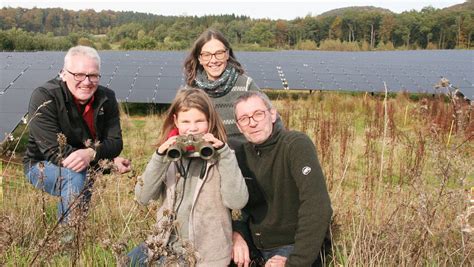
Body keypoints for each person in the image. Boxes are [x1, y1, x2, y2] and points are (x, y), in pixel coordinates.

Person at [129, 88, 249, 266]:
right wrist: (160, 157)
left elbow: (237, 202)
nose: (192, 129)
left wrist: (224, 155)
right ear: (176, 121)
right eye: (186, 121)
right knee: (127, 260)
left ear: (210, 121)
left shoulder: (222, 155)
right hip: (165, 246)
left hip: (205, 255)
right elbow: (142, 197)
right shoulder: (169, 154)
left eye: (199, 121)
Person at [24, 45, 131, 222]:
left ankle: (77, 234)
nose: (87, 81)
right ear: (63, 74)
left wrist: (91, 154)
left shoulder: (106, 97)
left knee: (81, 175)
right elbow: (53, 151)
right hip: (40, 164)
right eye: (79, 75)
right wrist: (106, 163)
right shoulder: (45, 96)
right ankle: (68, 240)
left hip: (83, 163)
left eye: (93, 75)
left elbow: (116, 143)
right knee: (77, 176)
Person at [231, 91, 332, 267]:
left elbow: (317, 206)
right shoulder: (240, 155)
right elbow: (223, 207)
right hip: (256, 245)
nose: (252, 123)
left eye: (258, 114)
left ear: (272, 115)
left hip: (293, 245)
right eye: (245, 118)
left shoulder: (295, 145)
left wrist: (295, 262)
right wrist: (236, 233)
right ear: (239, 126)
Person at [184, 28, 264, 149]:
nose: (213, 60)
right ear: (199, 59)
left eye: (219, 53)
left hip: (243, 161)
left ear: (227, 54)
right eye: (206, 55)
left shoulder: (246, 85)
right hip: (204, 161)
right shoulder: (190, 91)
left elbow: (270, 120)